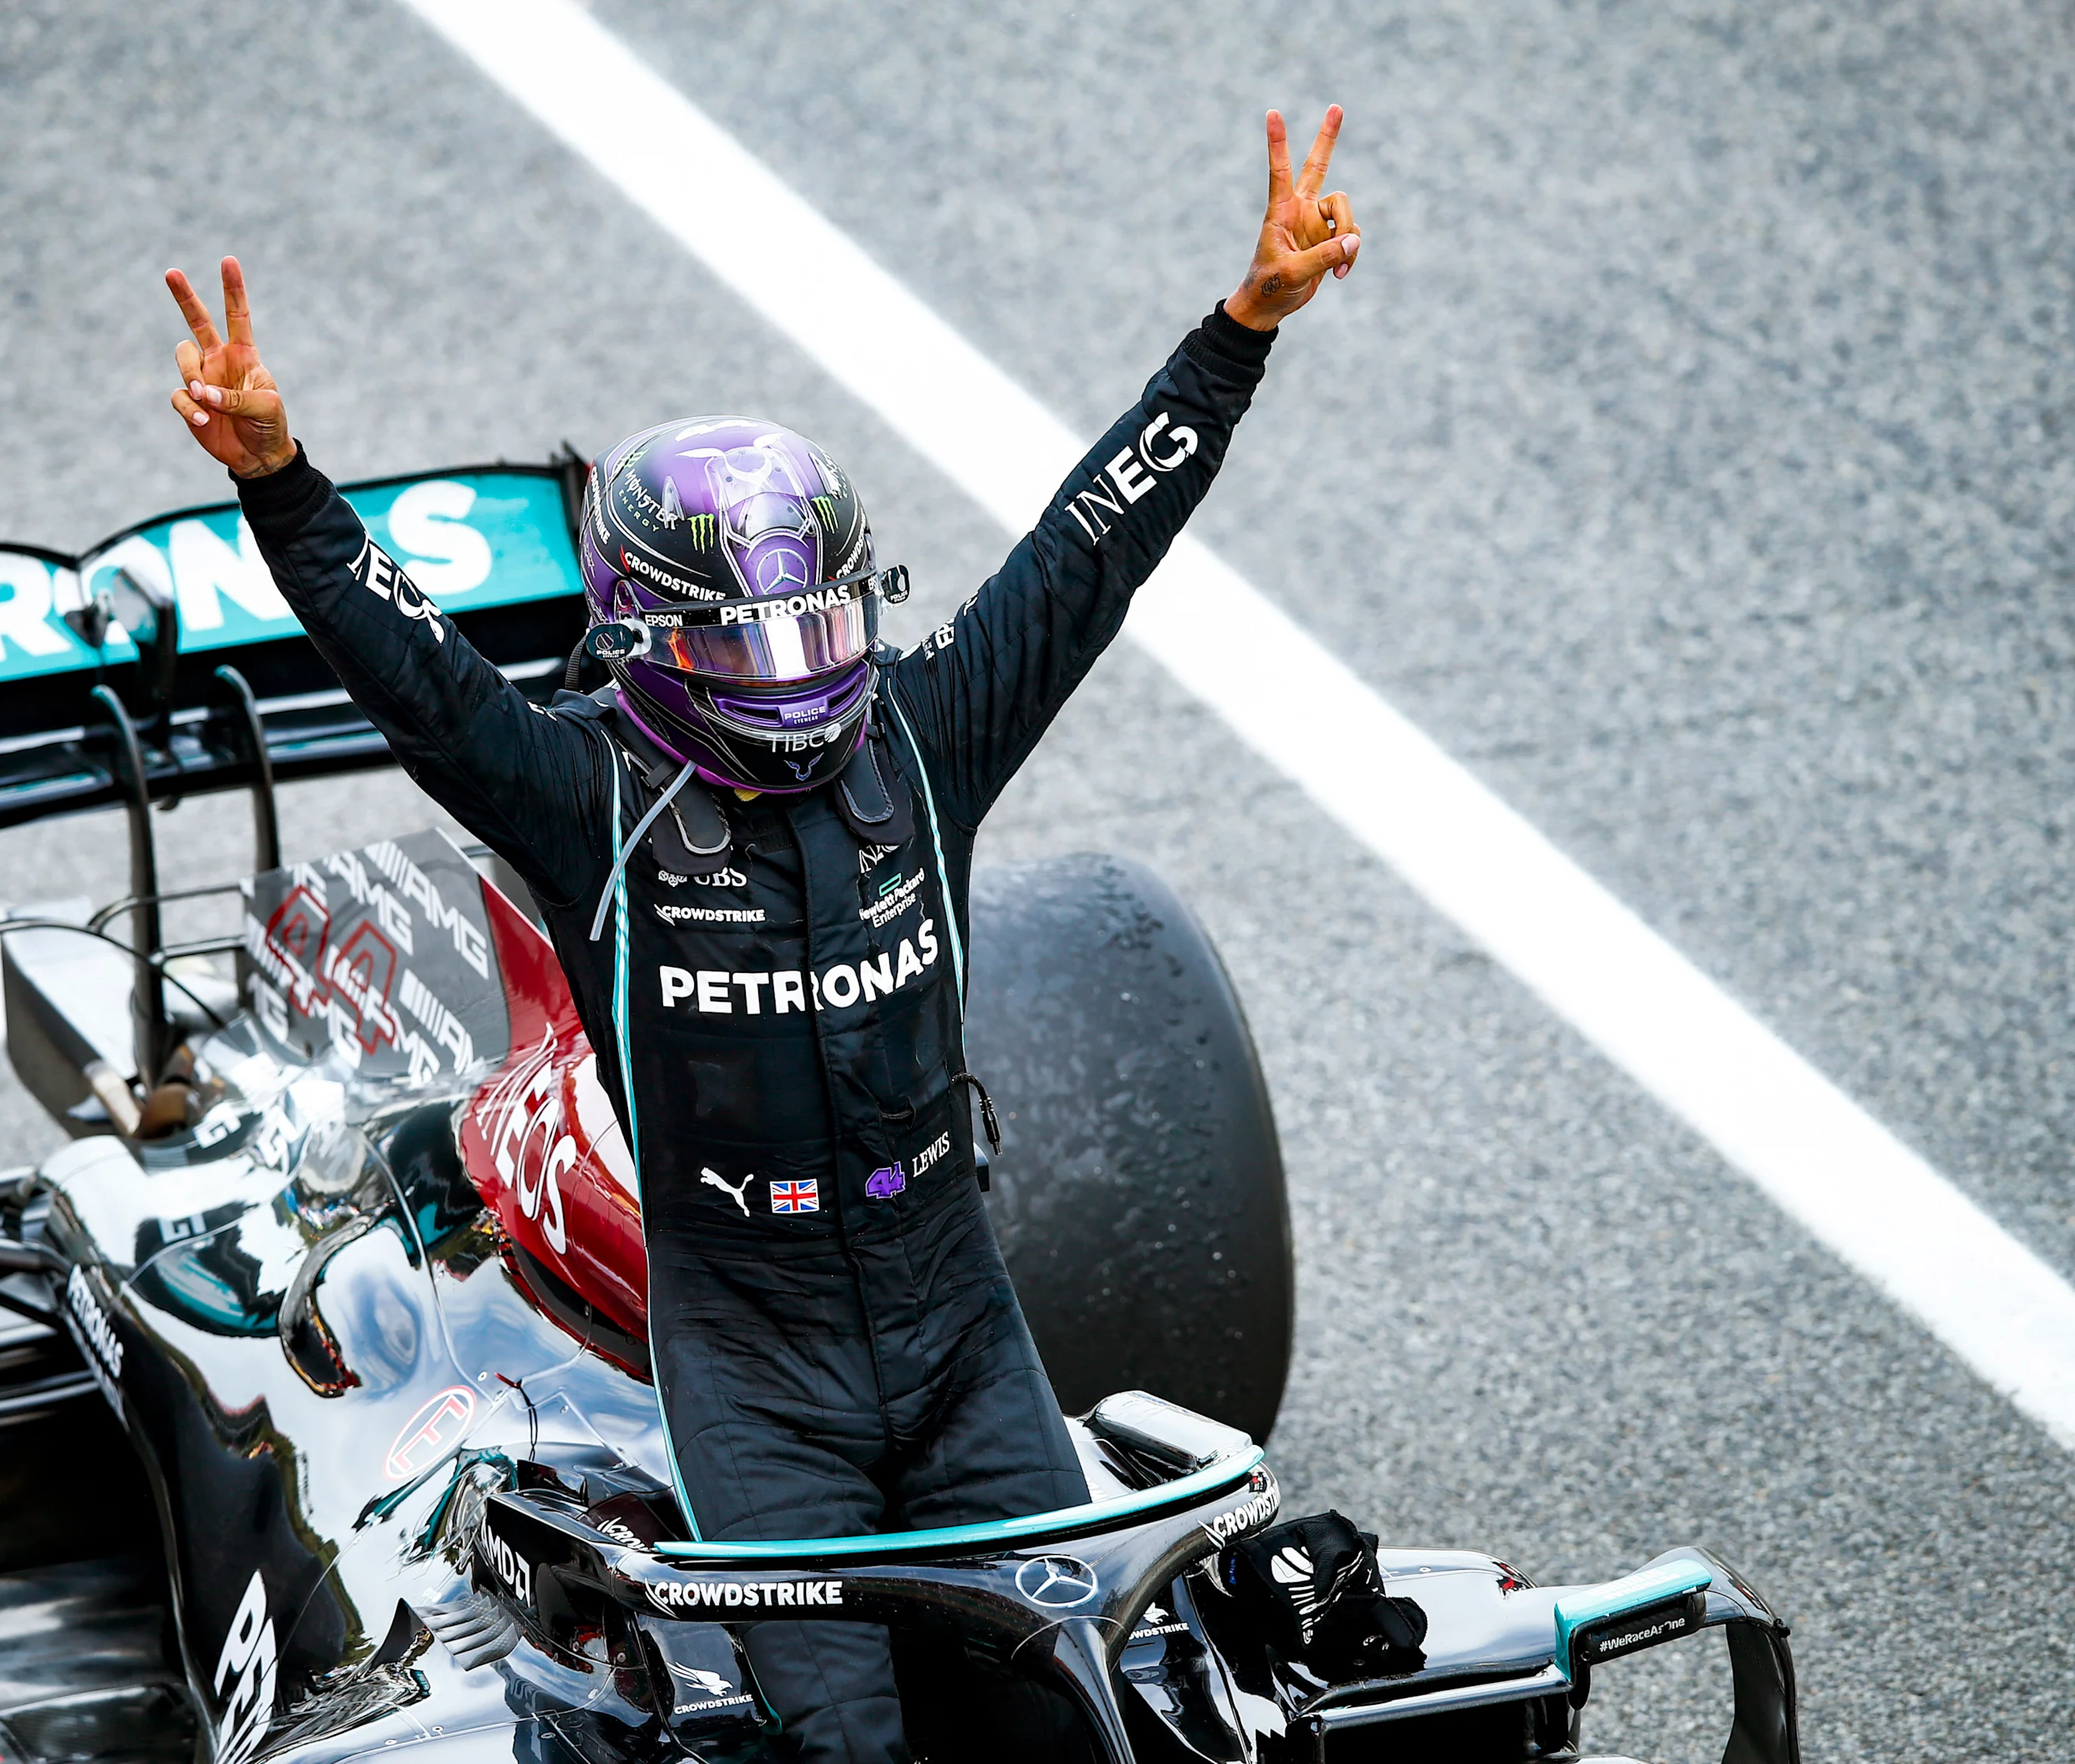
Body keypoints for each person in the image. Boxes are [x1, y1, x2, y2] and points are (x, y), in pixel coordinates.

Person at [166, 104, 1360, 1764]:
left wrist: (1237, 335)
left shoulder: (928, 741)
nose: (796, 668)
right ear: (645, 638)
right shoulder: (581, 796)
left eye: (817, 619)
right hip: (753, 1374)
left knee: (1077, 1729)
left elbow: (1092, 549)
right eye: (749, 637)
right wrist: (281, 486)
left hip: (962, 1336)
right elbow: (415, 673)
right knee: (845, 1752)